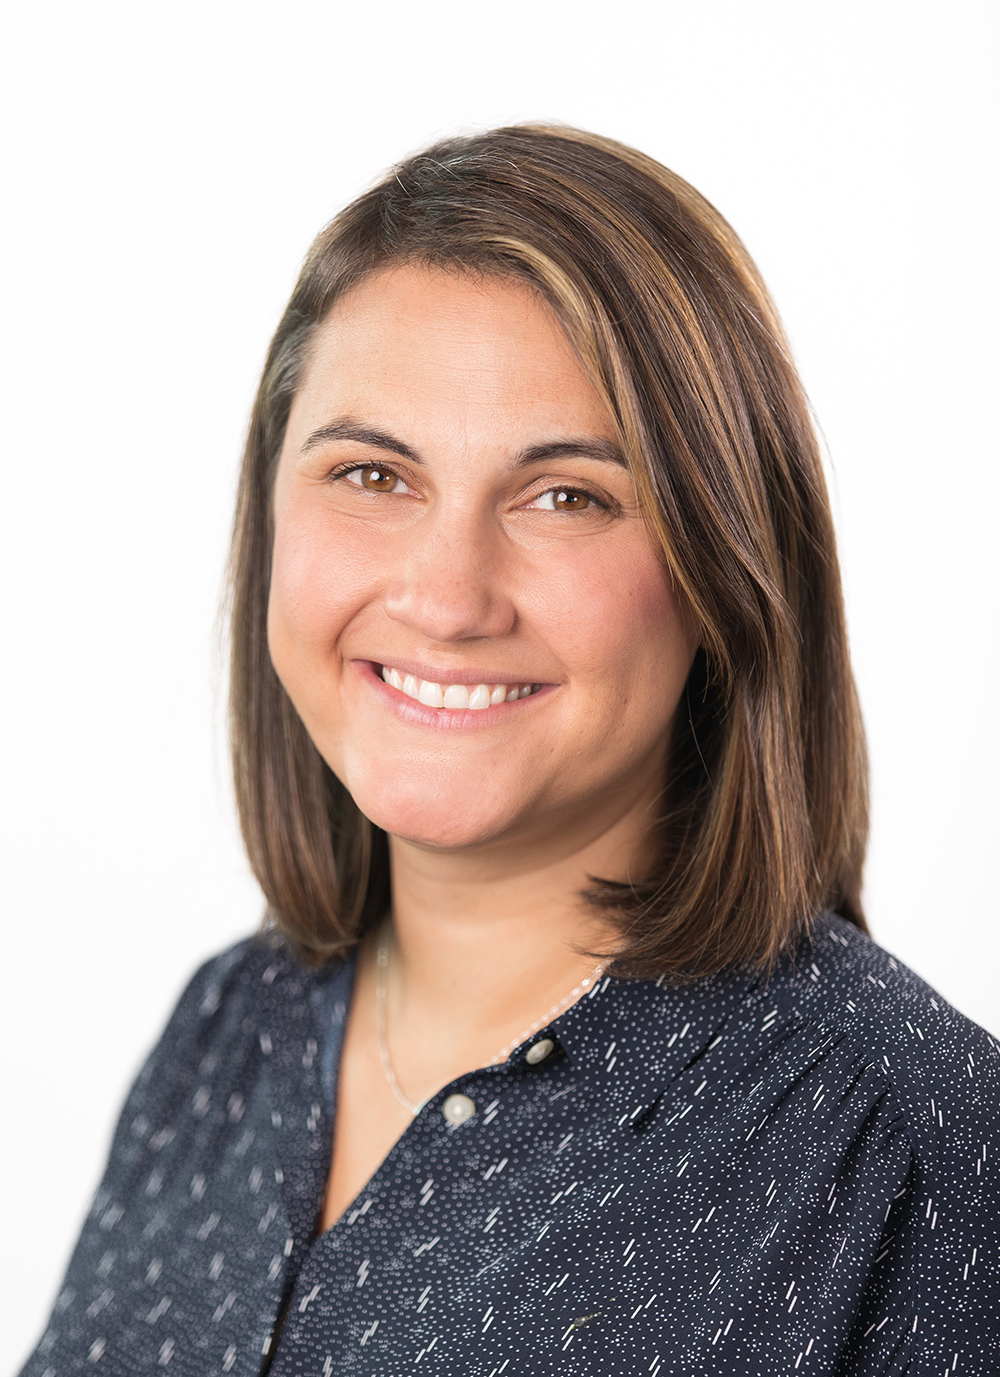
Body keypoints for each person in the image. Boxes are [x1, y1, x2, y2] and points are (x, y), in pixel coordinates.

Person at [20, 125, 998, 1377]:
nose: (447, 594)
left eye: (566, 495)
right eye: (372, 473)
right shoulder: (230, 1027)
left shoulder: (915, 1148)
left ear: (724, 571)